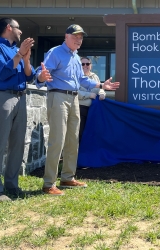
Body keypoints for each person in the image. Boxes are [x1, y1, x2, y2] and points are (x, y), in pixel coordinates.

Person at [35, 24, 119, 196]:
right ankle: (48, 183)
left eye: (80, 37)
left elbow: (82, 79)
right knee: (57, 140)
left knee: (73, 139)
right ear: (66, 37)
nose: (78, 40)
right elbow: (41, 72)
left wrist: (102, 84)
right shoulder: (55, 52)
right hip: (57, 96)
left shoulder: (75, 57)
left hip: (74, 98)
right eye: (75, 36)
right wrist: (41, 77)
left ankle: (67, 177)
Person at [0, 18, 50, 201]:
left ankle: (12, 186)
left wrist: (26, 59)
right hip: (3, 97)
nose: (20, 31)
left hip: (21, 97)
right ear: (8, 28)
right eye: (18, 28)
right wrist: (19, 55)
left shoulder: (17, 51)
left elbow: (28, 77)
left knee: (18, 144)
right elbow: (3, 73)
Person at [78, 56, 106, 143]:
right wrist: (89, 95)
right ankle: (78, 155)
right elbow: (74, 92)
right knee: (80, 133)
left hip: (94, 110)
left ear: (91, 65)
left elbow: (100, 88)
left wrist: (102, 93)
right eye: (83, 64)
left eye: (87, 64)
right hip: (80, 108)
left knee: (93, 133)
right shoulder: (76, 77)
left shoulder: (95, 77)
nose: (85, 66)